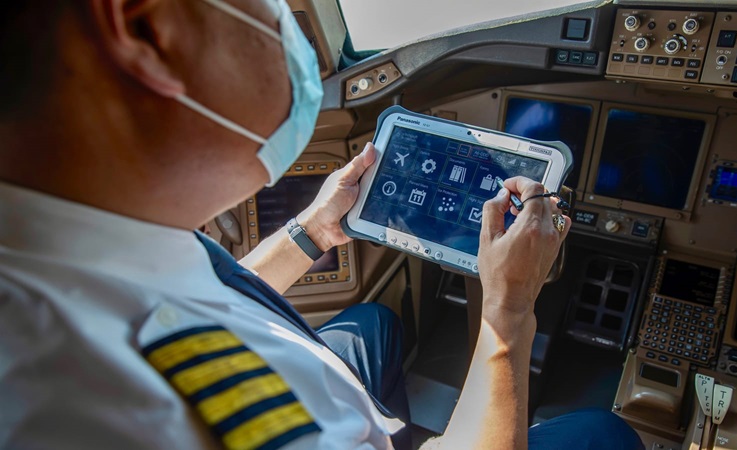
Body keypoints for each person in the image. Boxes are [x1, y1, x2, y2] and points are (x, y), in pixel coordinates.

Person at [0, 0, 644, 449]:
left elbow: (189, 299)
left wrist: (313, 230)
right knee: (602, 433)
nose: (295, 35)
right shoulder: (143, 412)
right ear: (144, 25)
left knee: (374, 323)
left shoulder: (82, 238)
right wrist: (508, 312)